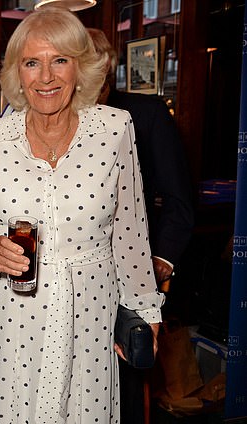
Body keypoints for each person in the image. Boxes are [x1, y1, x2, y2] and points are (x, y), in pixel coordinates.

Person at [0, 6, 165, 423]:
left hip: (88, 311)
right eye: (32, 63)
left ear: (81, 68)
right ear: (17, 72)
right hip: (9, 317)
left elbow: (130, 231)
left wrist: (145, 311)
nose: (47, 76)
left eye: (60, 61)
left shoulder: (114, 129)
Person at [88, 28, 194, 424]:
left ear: (107, 68)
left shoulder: (144, 114)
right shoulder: (53, 118)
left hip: (130, 276)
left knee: (124, 377)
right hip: (74, 279)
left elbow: (180, 202)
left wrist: (161, 259)